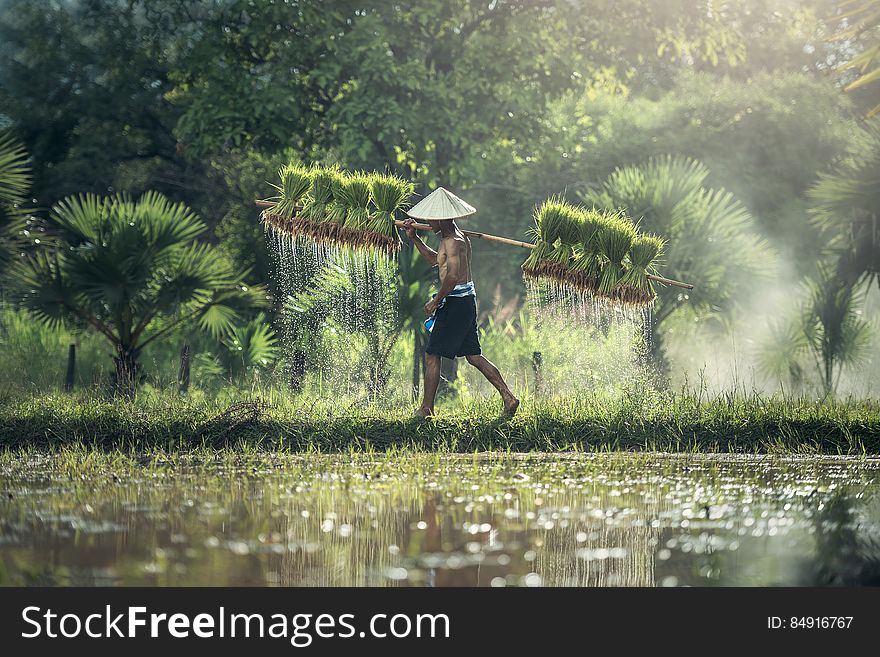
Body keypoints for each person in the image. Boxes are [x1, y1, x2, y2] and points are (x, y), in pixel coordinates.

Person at [401, 187, 519, 418]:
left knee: (432, 354)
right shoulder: (451, 239)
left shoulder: (455, 241)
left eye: (430, 217)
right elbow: (437, 261)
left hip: (456, 302)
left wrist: (436, 301)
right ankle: (509, 397)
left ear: (441, 218)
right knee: (473, 356)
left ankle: (426, 408)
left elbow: (453, 277)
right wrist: (414, 238)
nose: (426, 221)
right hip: (464, 301)